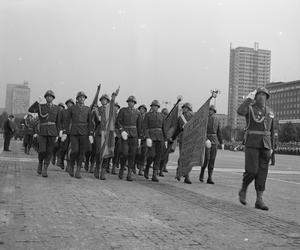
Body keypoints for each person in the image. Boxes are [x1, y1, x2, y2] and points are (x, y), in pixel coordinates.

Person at [237, 87, 274, 211]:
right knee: (252, 171)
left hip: (266, 145)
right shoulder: (250, 108)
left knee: (262, 174)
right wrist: (248, 99)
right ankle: (243, 189)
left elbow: (272, 131)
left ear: (267, 97)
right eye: (259, 94)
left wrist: (273, 149)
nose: (261, 97)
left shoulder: (270, 111)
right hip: (252, 143)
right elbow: (240, 111)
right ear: (255, 96)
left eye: (264, 95)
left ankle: (259, 199)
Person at [28, 90, 60, 177]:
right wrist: (37, 101)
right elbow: (30, 109)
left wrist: (58, 134)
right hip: (42, 132)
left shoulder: (57, 108)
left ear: (53, 98)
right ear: (45, 98)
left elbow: (58, 122)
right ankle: (40, 163)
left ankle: (45, 169)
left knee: (49, 151)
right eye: (47, 96)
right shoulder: (40, 106)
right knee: (42, 150)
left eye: (51, 96)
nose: (49, 98)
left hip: (53, 132)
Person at [67, 91, 93, 179]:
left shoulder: (88, 109)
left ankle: (78, 171)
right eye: (80, 97)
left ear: (85, 99)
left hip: (84, 133)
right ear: (77, 99)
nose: (82, 99)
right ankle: (71, 164)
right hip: (74, 132)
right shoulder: (72, 108)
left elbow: (90, 122)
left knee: (82, 152)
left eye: (83, 97)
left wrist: (90, 133)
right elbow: (67, 120)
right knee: (75, 150)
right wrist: (64, 131)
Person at [93, 91, 118, 180]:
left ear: (108, 101)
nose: (104, 101)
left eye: (105, 100)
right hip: (99, 133)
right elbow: (95, 122)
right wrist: (96, 114)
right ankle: (97, 168)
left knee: (106, 152)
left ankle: (103, 171)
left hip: (108, 134)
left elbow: (114, 121)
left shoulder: (111, 110)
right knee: (98, 152)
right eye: (102, 100)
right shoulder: (97, 109)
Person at [116, 95, 142, 181]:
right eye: (129, 101)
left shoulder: (138, 113)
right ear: (127, 102)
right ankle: (122, 167)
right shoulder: (123, 110)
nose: (131, 103)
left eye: (132, 102)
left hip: (134, 135)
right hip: (125, 135)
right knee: (125, 153)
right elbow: (118, 122)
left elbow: (139, 126)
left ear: (134, 103)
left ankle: (129, 173)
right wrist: (121, 130)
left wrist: (139, 138)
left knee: (132, 154)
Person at [199, 105, 224, 184]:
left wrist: (221, 142)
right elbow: (202, 130)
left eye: (211, 110)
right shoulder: (205, 119)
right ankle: (202, 174)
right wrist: (205, 139)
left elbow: (219, 132)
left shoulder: (217, 120)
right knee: (207, 159)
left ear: (214, 111)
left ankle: (210, 177)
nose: (210, 111)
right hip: (207, 140)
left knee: (212, 160)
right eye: (209, 110)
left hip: (214, 141)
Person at [172, 102, 194, 184]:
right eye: (184, 108)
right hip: (183, 139)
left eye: (186, 108)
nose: (184, 109)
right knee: (182, 157)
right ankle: (179, 172)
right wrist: (173, 137)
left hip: (190, 139)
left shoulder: (193, 117)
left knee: (188, 158)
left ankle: (187, 176)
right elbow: (177, 129)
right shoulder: (180, 118)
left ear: (189, 109)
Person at [143, 100, 165, 182]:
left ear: (158, 107)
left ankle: (154, 174)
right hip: (151, 136)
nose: (154, 107)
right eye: (153, 106)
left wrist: (165, 138)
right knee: (152, 155)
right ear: (151, 107)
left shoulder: (161, 115)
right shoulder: (148, 115)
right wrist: (147, 137)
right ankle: (147, 167)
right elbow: (145, 127)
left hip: (160, 137)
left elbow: (164, 128)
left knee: (158, 156)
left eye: (156, 106)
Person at [57, 98, 74, 170]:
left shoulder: (75, 112)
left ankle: (69, 165)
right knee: (64, 148)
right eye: (68, 103)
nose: (70, 104)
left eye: (71, 103)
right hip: (65, 132)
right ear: (66, 104)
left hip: (73, 132)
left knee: (71, 150)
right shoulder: (63, 111)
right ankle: (61, 161)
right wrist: (60, 130)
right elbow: (59, 121)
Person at [135, 104, 148, 176]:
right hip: (137, 136)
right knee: (137, 152)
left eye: (143, 109)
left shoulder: (147, 116)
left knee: (144, 153)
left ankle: (141, 169)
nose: (141, 110)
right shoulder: (136, 115)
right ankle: (135, 164)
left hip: (145, 137)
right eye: (140, 109)